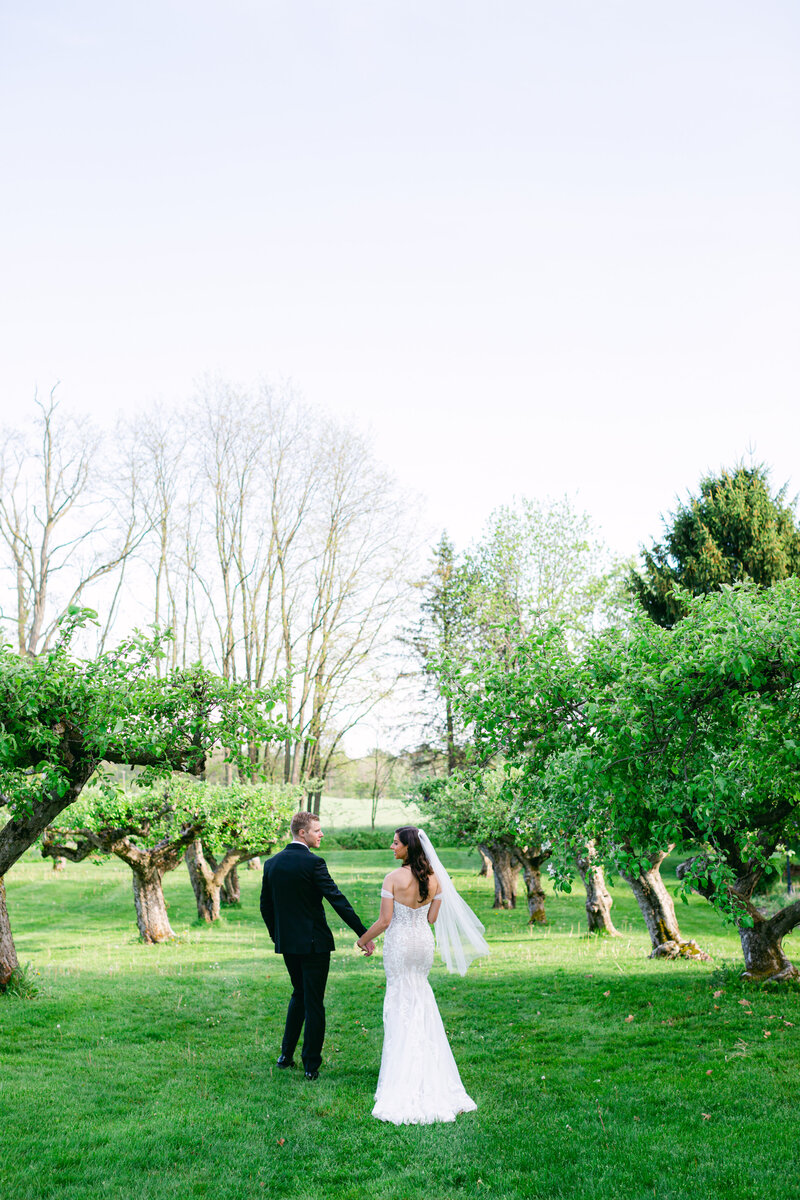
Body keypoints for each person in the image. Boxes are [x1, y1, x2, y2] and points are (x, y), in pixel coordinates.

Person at [356, 825, 490, 1124]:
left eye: (396, 844)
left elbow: (385, 920)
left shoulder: (393, 878)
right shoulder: (435, 878)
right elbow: (431, 918)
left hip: (401, 944)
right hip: (422, 944)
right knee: (421, 997)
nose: (392, 848)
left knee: (399, 1000)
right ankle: (431, 1069)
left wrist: (363, 939)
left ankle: (401, 1076)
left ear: (409, 847)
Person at [260, 811, 375, 1080]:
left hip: (287, 944)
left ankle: (285, 1056)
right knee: (313, 1002)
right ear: (303, 833)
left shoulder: (271, 863)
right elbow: (337, 899)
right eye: (317, 830)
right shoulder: (313, 863)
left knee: (298, 994)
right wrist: (364, 934)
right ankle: (311, 1065)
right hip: (314, 944)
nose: (321, 834)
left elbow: (266, 906)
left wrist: (277, 936)